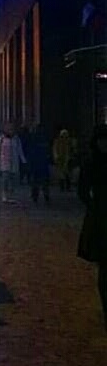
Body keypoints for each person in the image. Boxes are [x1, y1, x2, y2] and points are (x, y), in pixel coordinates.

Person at [77, 122, 107, 330]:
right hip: (99, 217)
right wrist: (93, 205)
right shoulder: (91, 163)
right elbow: (82, 189)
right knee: (104, 266)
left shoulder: (92, 161)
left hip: (99, 214)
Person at [0, 120, 25, 202]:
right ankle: (4, 194)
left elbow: (20, 150)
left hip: (14, 162)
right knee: (5, 179)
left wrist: (23, 160)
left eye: (12, 129)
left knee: (13, 180)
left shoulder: (16, 139)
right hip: (5, 162)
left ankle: (11, 194)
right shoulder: (1, 139)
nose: (10, 130)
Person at [26, 124, 52, 205]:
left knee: (36, 181)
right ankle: (45, 196)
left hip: (36, 164)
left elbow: (30, 151)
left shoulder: (34, 139)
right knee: (44, 182)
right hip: (42, 163)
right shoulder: (44, 139)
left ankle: (36, 196)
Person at [53, 127, 75, 192]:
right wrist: (56, 157)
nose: (65, 136)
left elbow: (71, 150)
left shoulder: (68, 141)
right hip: (60, 159)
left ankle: (67, 187)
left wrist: (71, 156)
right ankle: (62, 187)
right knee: (61, 174)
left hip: (66, 159)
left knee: (67, 173)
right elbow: (55, 149)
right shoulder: (57, 141)